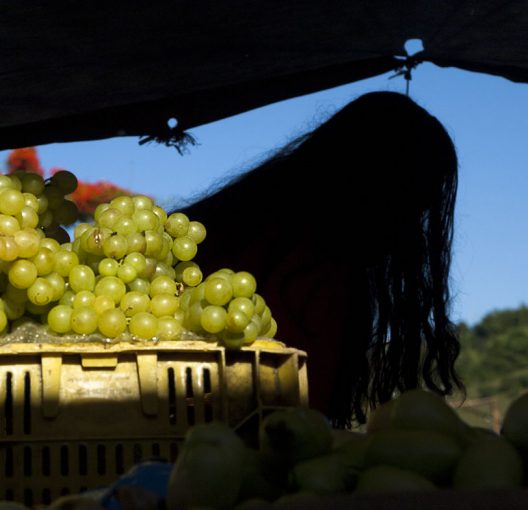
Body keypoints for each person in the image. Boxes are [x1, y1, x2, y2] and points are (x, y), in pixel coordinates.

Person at [178, 91, 461, 427]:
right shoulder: (316, 270)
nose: (408, 227)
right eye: (409, 207)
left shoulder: (244, 224)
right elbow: (304, 417)